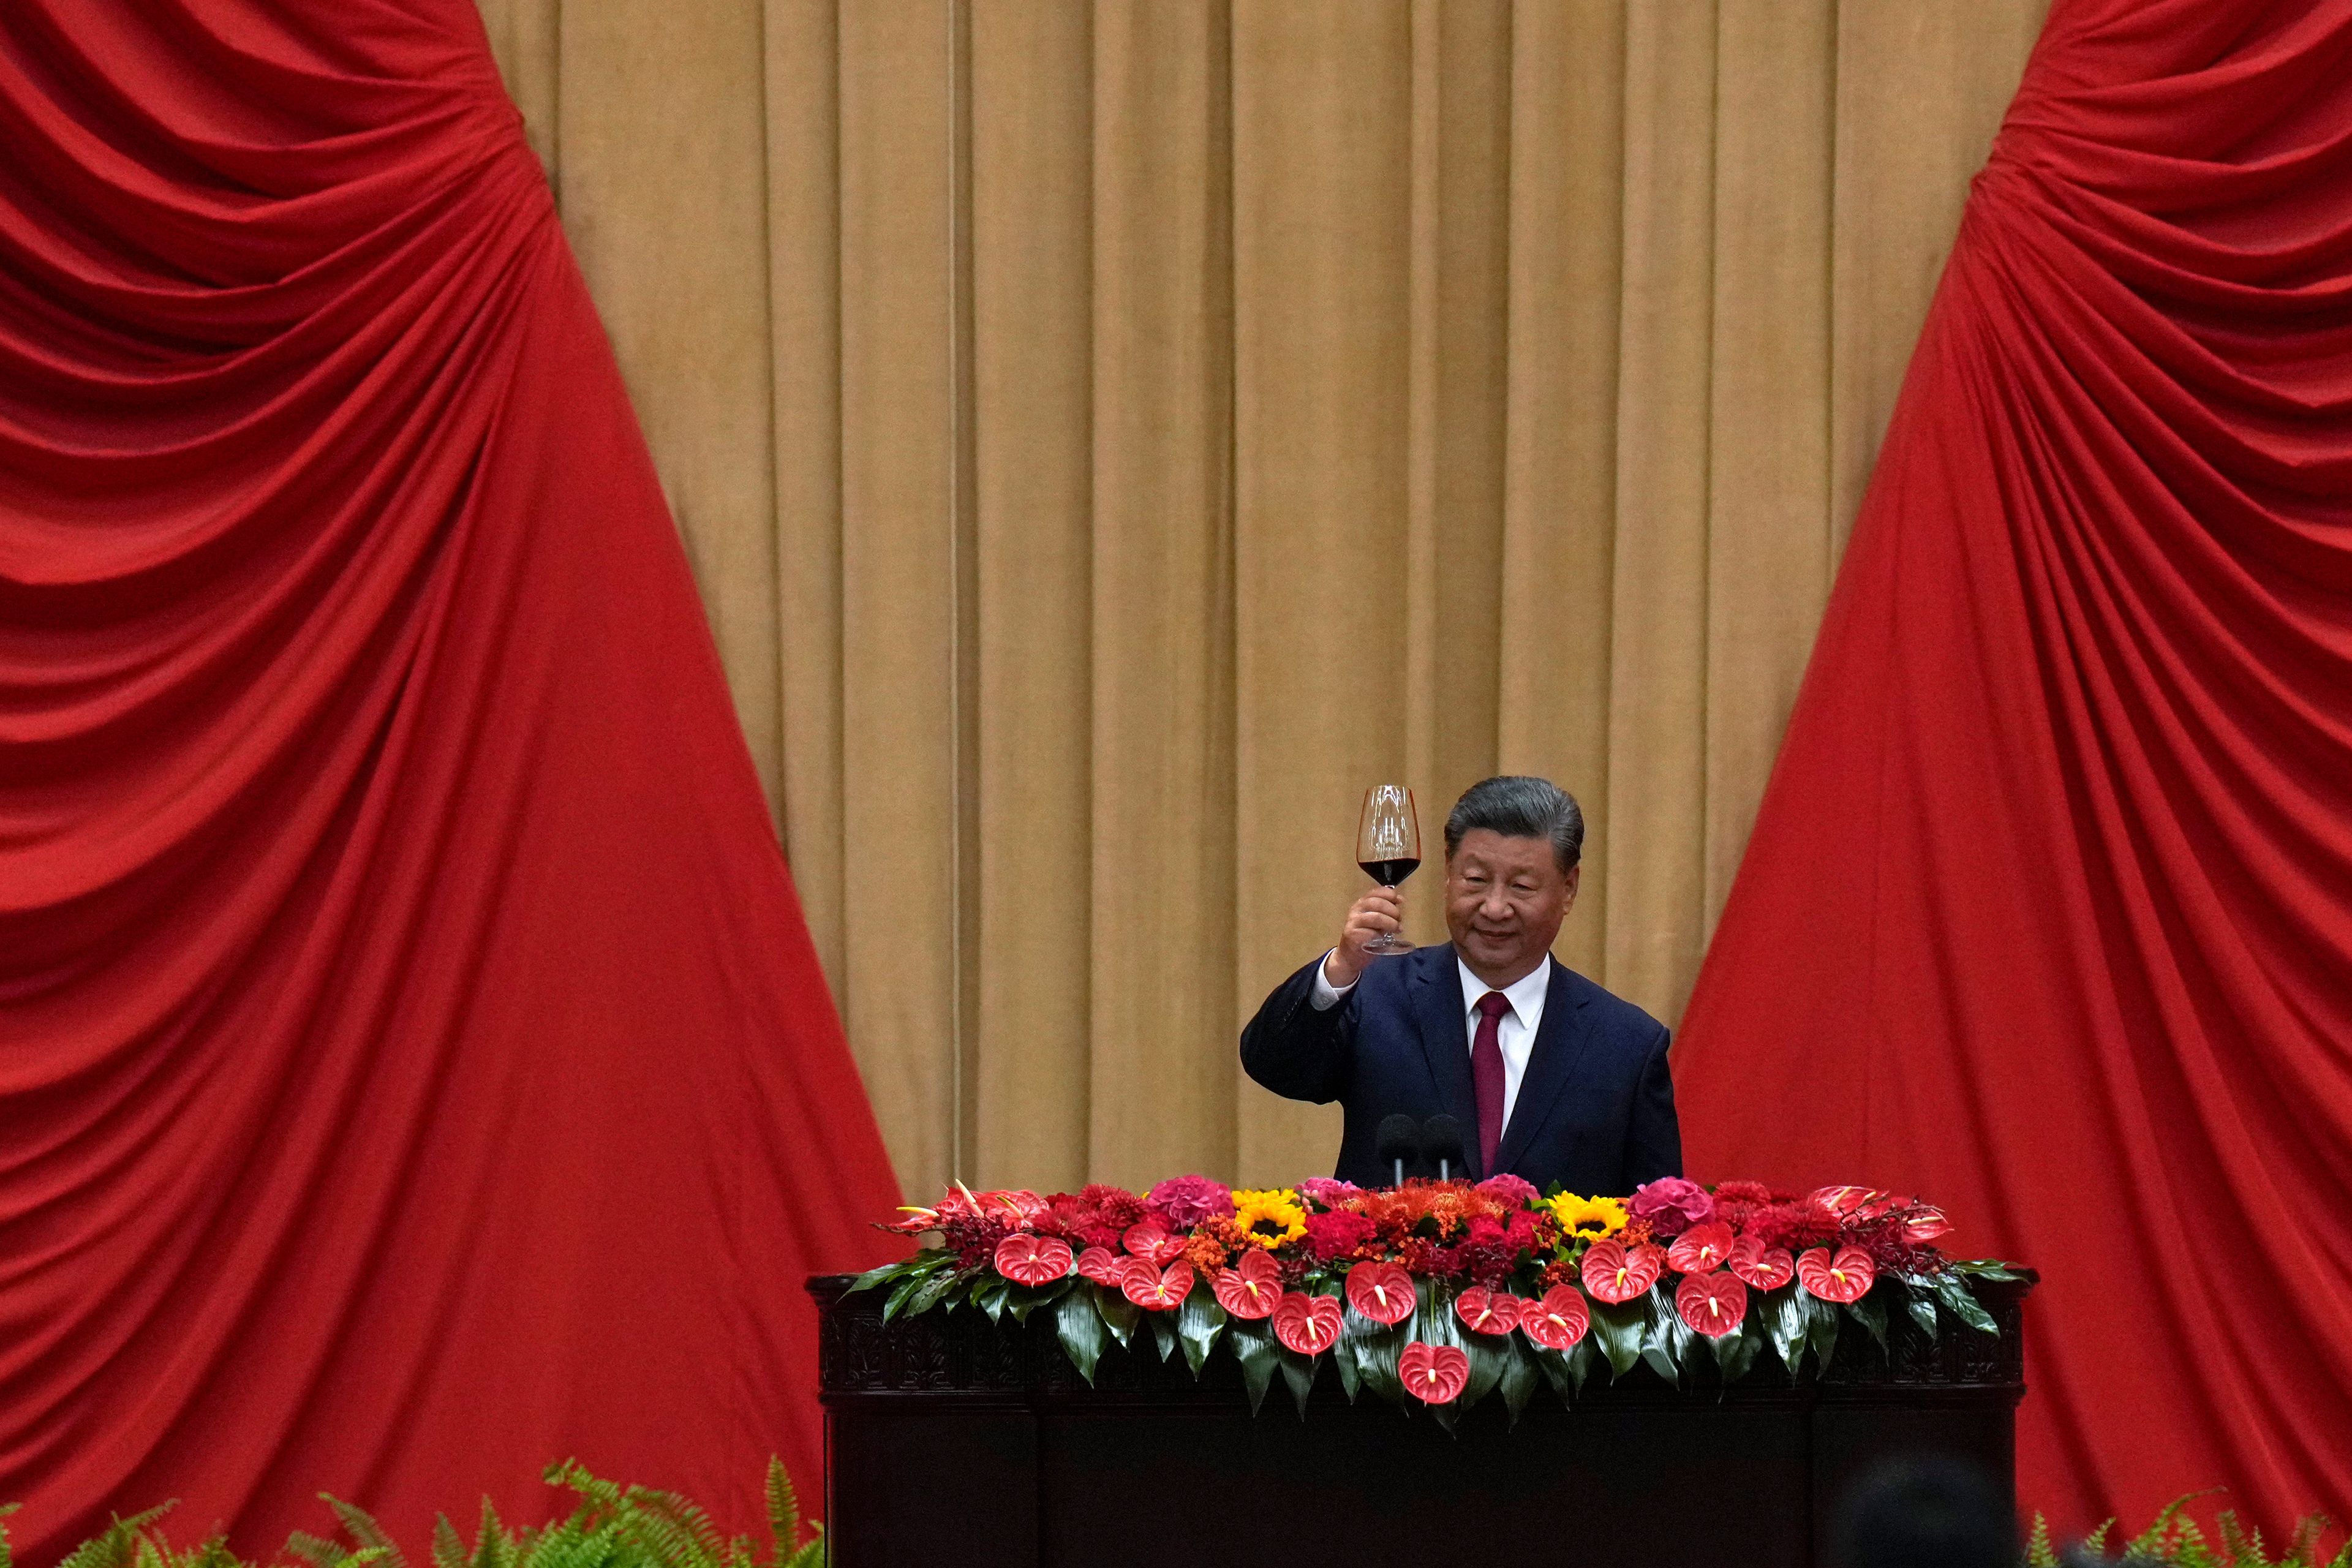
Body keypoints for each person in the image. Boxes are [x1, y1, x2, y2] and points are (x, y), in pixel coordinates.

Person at [1240, 775, 1681, 1193]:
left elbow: (1658, 1225)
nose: (1494, 907)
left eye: (1522, 886)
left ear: (1569, 889)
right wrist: (1341, 968)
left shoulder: (1626, 1046)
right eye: (1476, 880)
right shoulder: (1377, 993)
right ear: (1449, 872)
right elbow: (1275, 1066)